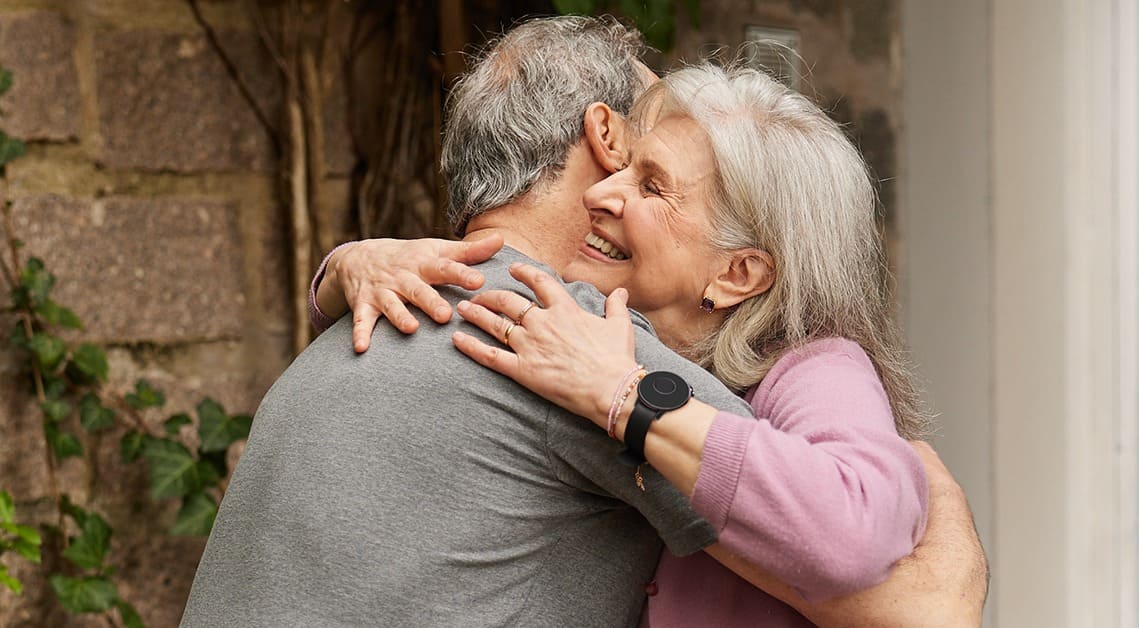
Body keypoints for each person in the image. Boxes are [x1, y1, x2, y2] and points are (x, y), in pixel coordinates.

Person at [308, 33, 987, 628]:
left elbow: (857, 535)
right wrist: (345, 266)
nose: (601, 194)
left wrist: (625, 395)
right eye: (621, 167)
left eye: (652, 186)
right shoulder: (608, 325)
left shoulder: (815, 368)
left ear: (739, 274)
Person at [183, 17, 751, 626]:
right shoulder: (567, 337)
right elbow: (835, 549)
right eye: (653, 155)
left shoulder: (352, 330)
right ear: (608, 136)